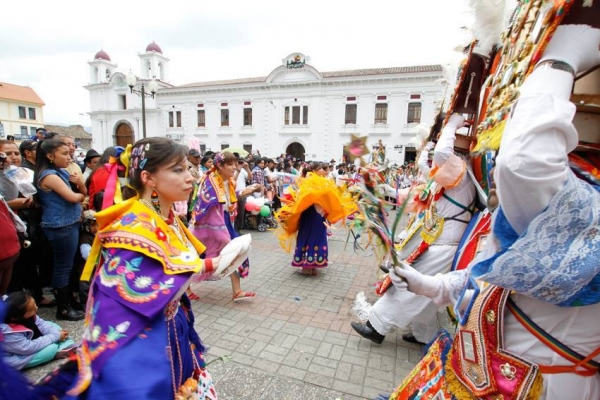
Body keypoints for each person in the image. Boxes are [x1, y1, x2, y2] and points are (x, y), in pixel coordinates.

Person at [390, 18, 600, 400]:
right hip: (479, 371)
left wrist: (558, 62)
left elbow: (525, 163)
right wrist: (432, 286)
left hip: (541, 386)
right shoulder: (570, 202)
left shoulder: (584, 209)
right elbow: (494, 280)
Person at [62, 137, 249, 398]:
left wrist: (215, 265)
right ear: (149, 178)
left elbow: (176, 267)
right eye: (178, 170)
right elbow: (135, 293)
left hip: (174, 328)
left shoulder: (168, 218)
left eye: (188, 169)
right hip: (148, 342)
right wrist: (211, 264)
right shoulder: (131, 226)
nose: (190, 178)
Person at [351, 114, 476, 345]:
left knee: (406, 286)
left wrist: (451, 125)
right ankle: (424, 335)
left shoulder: (461, 178)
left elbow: (440, 156)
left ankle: (376, 326)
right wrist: (426, 147)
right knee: (424, 295)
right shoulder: (453, 179)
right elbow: (424, 172)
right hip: (438, 240)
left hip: (443, 245)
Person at [190, 151, 256, 302]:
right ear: (219, 166)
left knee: (233, 254)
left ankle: (237, 291)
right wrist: (223, 234)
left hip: (223, 221)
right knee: (199, 257)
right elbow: (211, 210)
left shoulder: (227, 181)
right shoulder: (211, 182)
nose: (234, 167)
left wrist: (244, 192)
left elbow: (228, 201)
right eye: (230, 164)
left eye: (235, 164)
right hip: (209, 226)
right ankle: (185, 288)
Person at [34, 139, 85, 321]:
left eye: (68, 152)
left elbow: (79, 194)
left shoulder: (60, 172)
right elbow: (73, 197)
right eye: (64, 153)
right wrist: (79, 194)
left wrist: (80, 188)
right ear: (49, 156)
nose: (69, 155)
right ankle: (63, 309)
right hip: (60, 227)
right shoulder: (49, 176)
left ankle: (70, 301)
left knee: (68, 266)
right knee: (63, 268)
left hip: (68, 224)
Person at [277, 161, 356, 276]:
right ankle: (306, 266)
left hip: (319, 215)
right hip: (311, 215)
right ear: (314, 171)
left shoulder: (323, 182)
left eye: (324, 169)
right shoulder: (309, 182)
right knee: (310, 237)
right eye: (321, 169)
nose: (324, 171)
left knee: (319, 238)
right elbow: (306, 197)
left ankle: (313, 265)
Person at [1, 291, 76, 370]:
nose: (36, 308)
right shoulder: (7, 333)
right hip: (18, 356)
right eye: (32, 309)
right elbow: (28, 348)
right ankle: (57, 351)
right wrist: (55, 336)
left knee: (51, 324)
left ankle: (66, 346)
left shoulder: (27, 314)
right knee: (51, 349)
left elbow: (42, 324)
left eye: (35, 305)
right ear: (16, 317)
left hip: (28, 341)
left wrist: (56, 334)